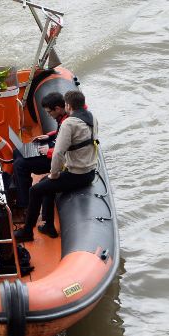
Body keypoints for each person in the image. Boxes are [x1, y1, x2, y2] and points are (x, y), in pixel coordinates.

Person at [14, 90, 99, 242]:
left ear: (67, 105)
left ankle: (27, 232)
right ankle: (48, 226)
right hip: (89, 172)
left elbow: (58, 153)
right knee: (44, 184)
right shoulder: (91, 117)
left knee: (35, 190)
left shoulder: (69, 123)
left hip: (77, 174)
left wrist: (54, 175)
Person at [11, 92, 70, 223]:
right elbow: (61, 134)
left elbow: (69, 147)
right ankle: (19, 193)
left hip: (58, 157)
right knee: (17, 152)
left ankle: (24, 206)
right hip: (54, 147)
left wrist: (48, 151)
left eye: (49, 112)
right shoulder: (64, 117)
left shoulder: (69, 122)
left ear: (58, 109)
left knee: (20, 165)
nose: (48, 115)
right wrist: (49, 136)